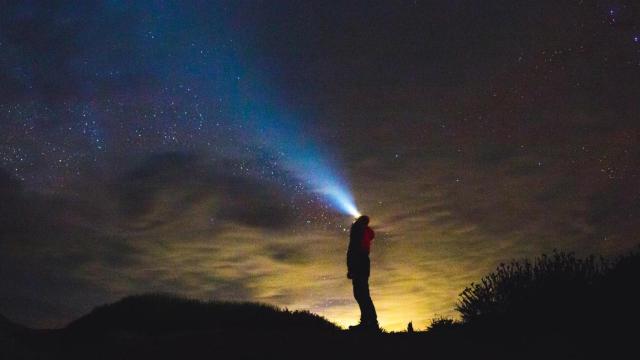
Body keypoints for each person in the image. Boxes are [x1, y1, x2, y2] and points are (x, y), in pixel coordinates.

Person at [346, 215, 379, 331]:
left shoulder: (357, 230)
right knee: (362, 293)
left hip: (358, 262)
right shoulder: (365, 232)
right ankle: (369, 322)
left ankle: (369, 323)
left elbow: (353, 249)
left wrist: (351, 268)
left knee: (361, 293)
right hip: (364, 262)